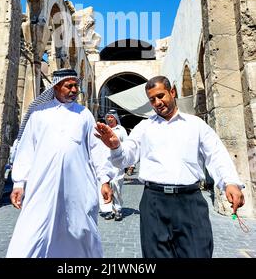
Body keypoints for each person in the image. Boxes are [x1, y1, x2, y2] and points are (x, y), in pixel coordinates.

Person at [95, 75, 245, 258]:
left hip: (190, 201)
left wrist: (230, 182)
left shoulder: (196, 125)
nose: (157, 102)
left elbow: (216, 154)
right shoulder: (144, 127)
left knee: (198, 253)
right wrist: (115, 146)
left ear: (172, 92)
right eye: (152, 99)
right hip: (154, 203)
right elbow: (126, 158)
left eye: (160, 96)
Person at [6, 68, 113, 258]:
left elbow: (97, 149)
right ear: (56, 86)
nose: (74, 90)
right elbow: (26, 151)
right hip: (42, 185)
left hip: (78, 186)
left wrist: (104, 179)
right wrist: (19, 183)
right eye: (69, 86)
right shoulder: (39, 114)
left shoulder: (84, 114)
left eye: (76, 86)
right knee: (32, 231)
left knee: (81, 231)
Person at [103, 109, 128, 221]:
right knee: (108, 186)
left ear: (115, 118)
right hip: (107, 162)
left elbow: (126, 145)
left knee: (116, 185)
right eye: (107, 117)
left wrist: (129, 164)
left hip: (118, 162)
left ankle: (118, 209)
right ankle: (111, 210)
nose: (109, 119)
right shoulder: (104, 129)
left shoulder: (121, 130)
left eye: (111, 117)